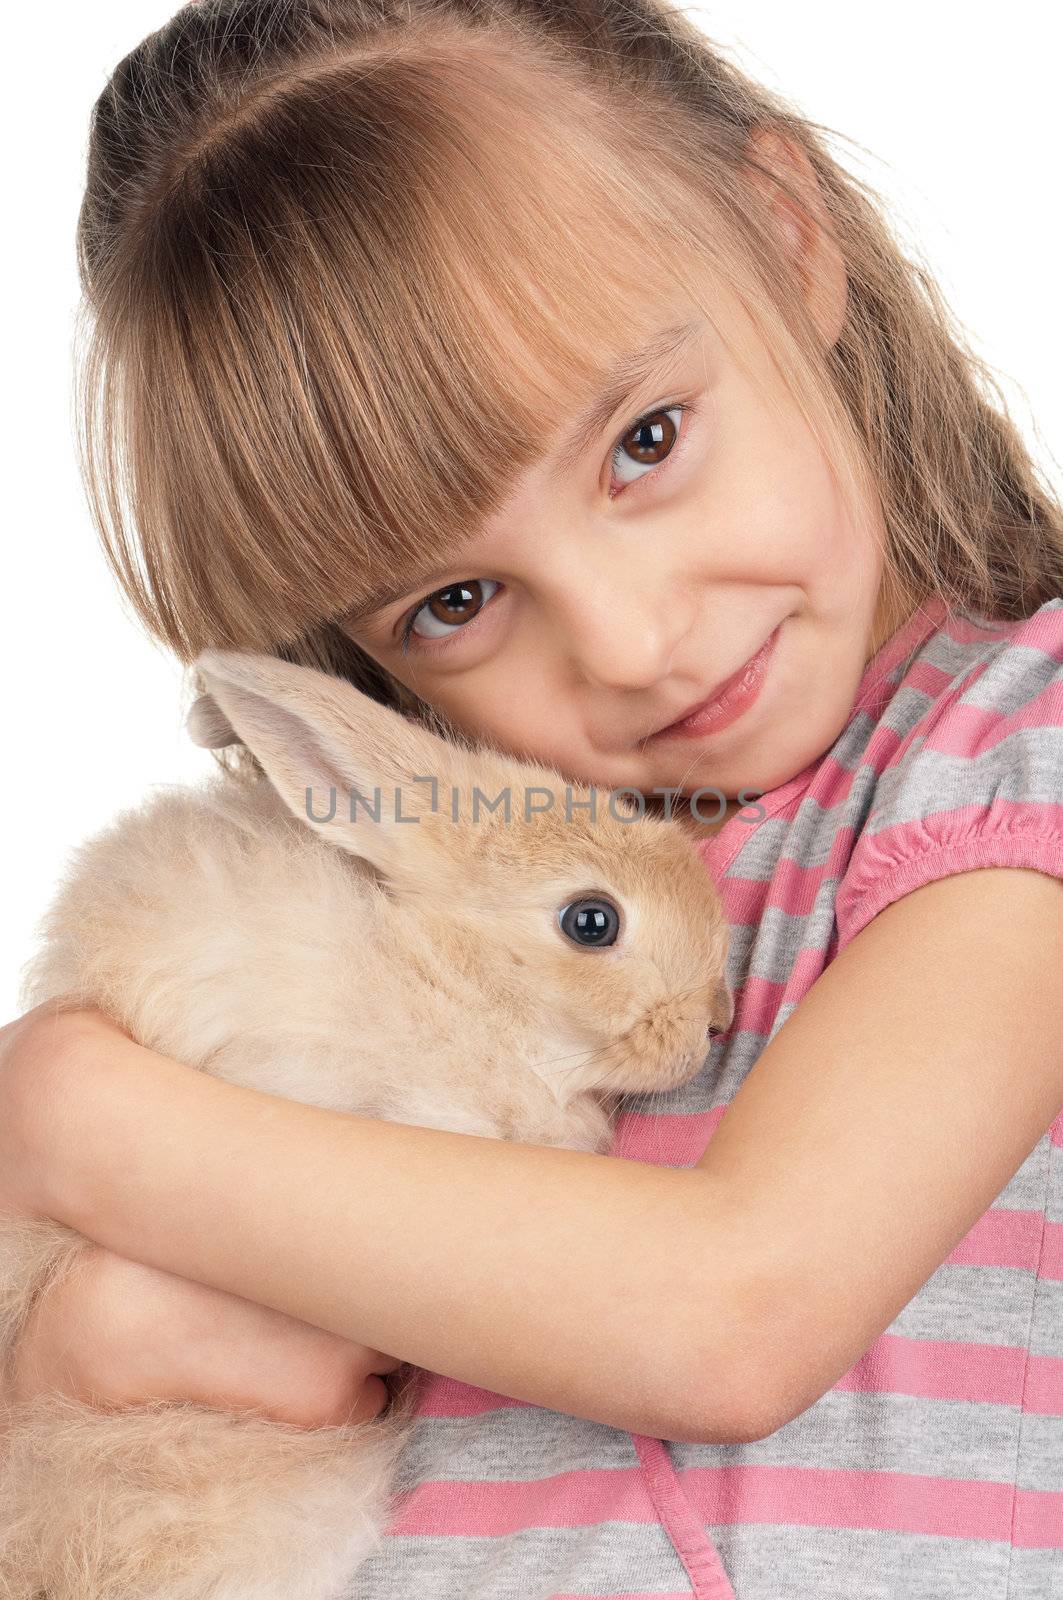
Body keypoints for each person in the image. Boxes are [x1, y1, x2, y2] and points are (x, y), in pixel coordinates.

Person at [2, 2, 1061, 1595]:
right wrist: (70, 1380)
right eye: (452, 603)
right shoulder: (453, 881)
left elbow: (735, 1312)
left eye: (646, 441)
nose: (633, 644)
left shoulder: (1011, 759)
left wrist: (68, 1118)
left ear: (787, 240)